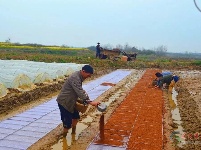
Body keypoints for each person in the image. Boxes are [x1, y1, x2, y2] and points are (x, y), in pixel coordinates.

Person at [56, 65, 100, 136]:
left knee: (76, 117)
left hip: (72, 101)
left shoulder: (80, 76)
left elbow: (79, 90)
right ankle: (64, 138)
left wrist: (85, 100)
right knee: (67, 123)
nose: (89, 76)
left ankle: (73, 133)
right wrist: (91, 102)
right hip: (64, 102)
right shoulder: (75, 77)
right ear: (83, 71)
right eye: (88, 74)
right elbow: (79, 91)